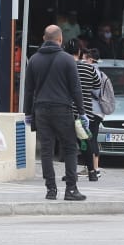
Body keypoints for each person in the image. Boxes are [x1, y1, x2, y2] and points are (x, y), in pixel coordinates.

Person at [23, 25, 87, 201]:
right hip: (62, 109)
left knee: (46, 150)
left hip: (41, 109)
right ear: (60, 40)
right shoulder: (67, 60)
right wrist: (82, 112)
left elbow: (29, 90)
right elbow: (76, 88)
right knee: (69, 148)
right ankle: (71, 189)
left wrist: (28, 113)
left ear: (44, 38)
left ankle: (51, 190)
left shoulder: (34, 60)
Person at [66, 39, 102, 181]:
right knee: (85, 141)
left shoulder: (66, 67)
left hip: (69, 109)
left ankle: (71, 172)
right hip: (86, 110)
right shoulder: (89, 68)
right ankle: (92, 171)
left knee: (69, 143)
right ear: (80, 52)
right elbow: (97, 84)